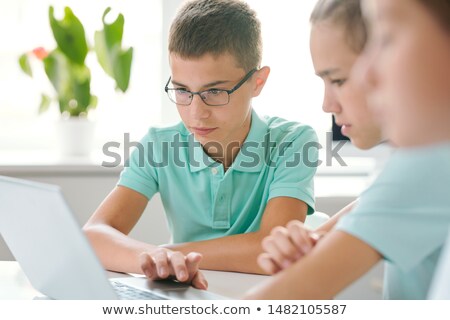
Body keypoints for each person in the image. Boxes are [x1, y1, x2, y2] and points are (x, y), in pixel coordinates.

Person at [83, 0, 318, 289]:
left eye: (215, 91)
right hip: (187, 293)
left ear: (257, 82)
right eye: (182, 90)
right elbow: (94, 234)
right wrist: (156, 259)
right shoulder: (159, 145)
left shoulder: (293, 141)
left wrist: (171, 255)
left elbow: (272, 250)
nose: (196, 113)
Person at [245, 0, 450, 299]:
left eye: (339, 79)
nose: (327, 105)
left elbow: (288, 293)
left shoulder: (429, 162)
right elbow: (359, 213)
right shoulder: (411, 164)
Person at [258, 0, 384, 275]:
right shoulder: (399, 171)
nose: (327, 105)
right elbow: (303, 262)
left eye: (338, 80)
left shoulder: (423, 171)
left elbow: (297, 281)